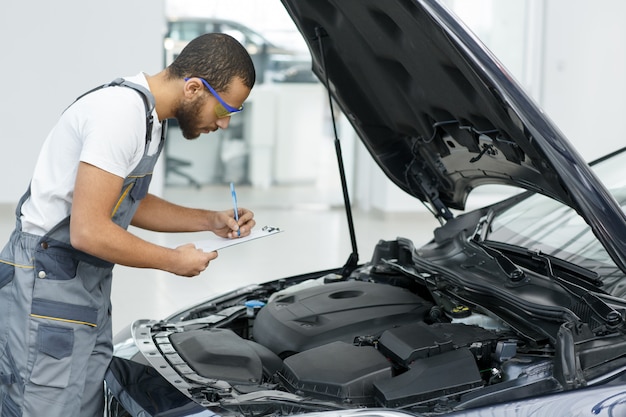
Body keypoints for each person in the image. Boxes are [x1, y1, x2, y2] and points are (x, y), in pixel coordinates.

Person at [0, 33, 256, 417]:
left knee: (83, 405)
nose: (222, 125)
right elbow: (87, 229)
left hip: (84, 286)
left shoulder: (151, 119)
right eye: (225, 111)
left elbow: (128, 203)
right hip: (47, 282)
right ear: (193, 88)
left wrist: (210, 220)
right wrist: (171, 261)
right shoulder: (120, 114)